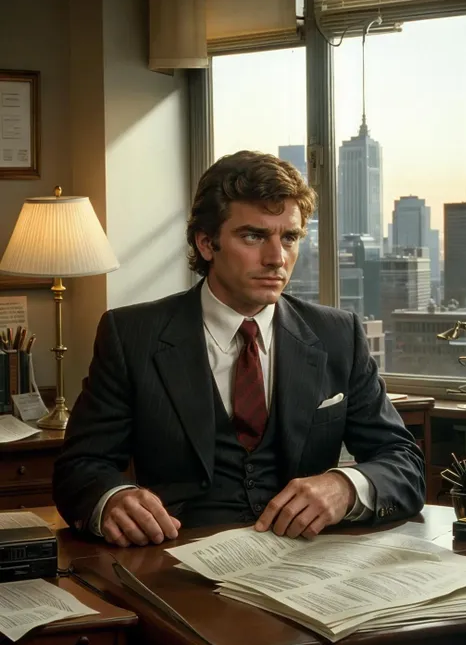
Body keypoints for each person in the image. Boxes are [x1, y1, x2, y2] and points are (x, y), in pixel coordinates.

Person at [53, 150, 425, 547]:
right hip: (176, 564)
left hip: (307, 565)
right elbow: (80, 467)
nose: (276, 258)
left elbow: (404, 465)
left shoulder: (338, 334)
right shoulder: (131, 335)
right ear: (207, 243)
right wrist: (113, 500)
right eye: (254, 236)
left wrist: (345, 487)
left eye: (290, 237)